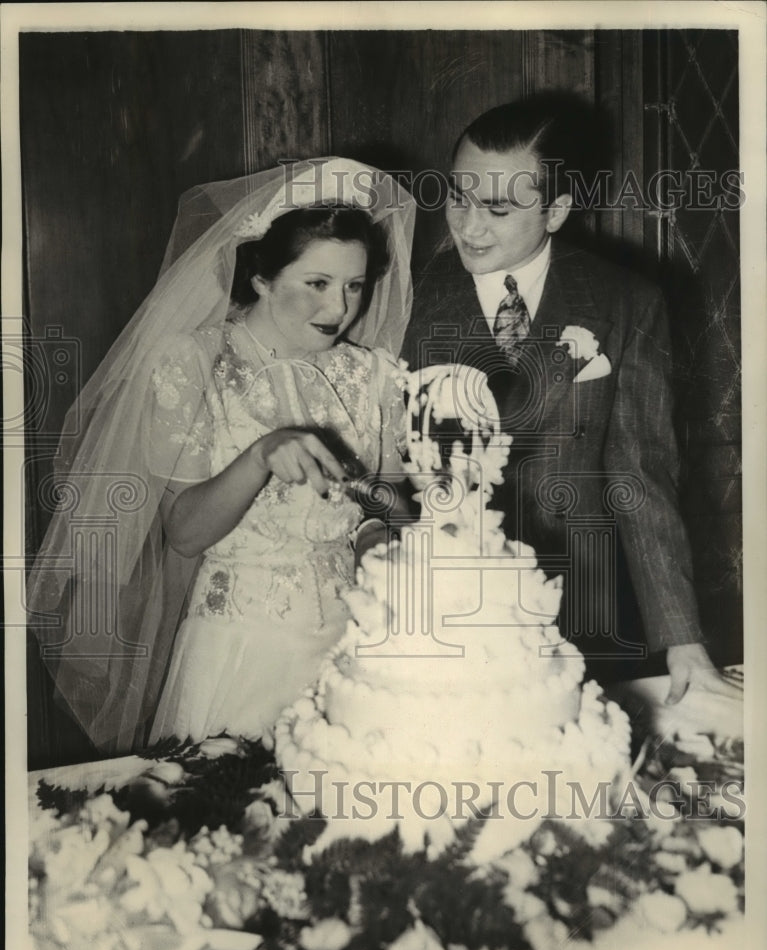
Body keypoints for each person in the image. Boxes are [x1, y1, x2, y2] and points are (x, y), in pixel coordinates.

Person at [27, 158, 416, 754]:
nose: (340, 309)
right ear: (261, 276)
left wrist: (380, 527)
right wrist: (259, 456)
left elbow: (392, 504)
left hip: (353, 647)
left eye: (354, 286)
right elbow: (183, 534)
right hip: (240, 647)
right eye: (317, 283)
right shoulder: (197, 364)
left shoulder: (371, 374)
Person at [402, 93, 737, 705]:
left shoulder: (626, 301)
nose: (468, 226)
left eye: (498, 209)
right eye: (458, 196)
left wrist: (682, 638)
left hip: (584, 613)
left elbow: (641, 477)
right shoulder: (407, 294)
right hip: (444, 614)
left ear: (556, 210)